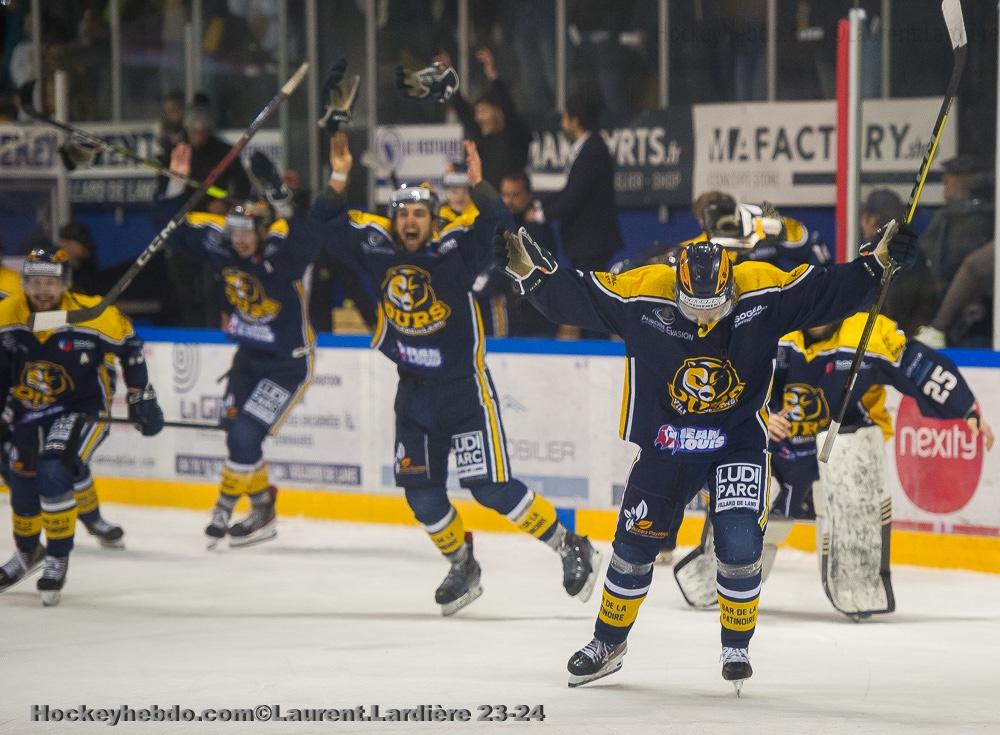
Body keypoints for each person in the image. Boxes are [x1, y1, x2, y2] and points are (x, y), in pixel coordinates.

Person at [494, 219, 919, 691]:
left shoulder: (762, 288)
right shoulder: (643, 291)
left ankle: (736, 646)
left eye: (715, 308)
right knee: (632, 547)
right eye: (694, 309)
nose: (704, 320)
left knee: (740, 542)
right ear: (675, 290)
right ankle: (608, 643)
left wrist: (875, 264)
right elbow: (579, 296)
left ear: (731, 288)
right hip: (667, 442)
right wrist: (532, 278)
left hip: (736, 439)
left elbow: (825, 291)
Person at [314, 132, 601, 616]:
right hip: (413, 396)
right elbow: (321, 224)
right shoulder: (377, 248)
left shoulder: (455, 252)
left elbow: (499, 225)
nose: (410, 221)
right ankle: (462, 564)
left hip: (464, 392)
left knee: (490, 488)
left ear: (433, 219)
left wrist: (480, 185)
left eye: (419, 214)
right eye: (403, 213)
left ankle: (570, 544)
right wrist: (339, 175)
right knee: (422, 497)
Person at [675, 313, 993, 618]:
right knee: (746, 469)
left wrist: (965, 408)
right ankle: (718, 572)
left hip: (837, 451)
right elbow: (731, 379)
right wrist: (759, 416)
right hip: (778, 450)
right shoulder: (777, 322)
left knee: (853, 453)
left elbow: (919, 366)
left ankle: (858, 578)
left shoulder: (867, 333)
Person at [157, 145, 326, 550]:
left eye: (248, 232)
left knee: (246, 434)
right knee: (237, 434)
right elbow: (170, 231)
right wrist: (175, 185)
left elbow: (307, 236)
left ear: (262, 231)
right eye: (235, 232)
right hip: (249, 359)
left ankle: (224, 506)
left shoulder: (282, 248)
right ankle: (263, 509)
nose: (241, 240)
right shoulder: (221, 245)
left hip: (287, 364)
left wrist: (280, 198)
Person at [0, 247, 164, 605]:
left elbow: (130, 347)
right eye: (35, 282)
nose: (43, 290)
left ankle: (57, 556)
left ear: (65, 283)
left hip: (82, 407)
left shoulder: (94, 315)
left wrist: (141, 397)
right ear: (24, 282)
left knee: (54, 470)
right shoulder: (8, 313)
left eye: (50, 282)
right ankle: (28, 552)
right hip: (30, 408)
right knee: (20, 478)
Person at [532, 88, 623, 274]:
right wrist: (539, 205)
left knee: (589, 288)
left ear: (575, 121)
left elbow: (574, 196)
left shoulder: (593, 150)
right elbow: (569, 190)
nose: (562, 123)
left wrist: (541, 215)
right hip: (584, 241)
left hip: (591, 241)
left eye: (565, 117)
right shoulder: (585, 148)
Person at [435, 48, 532, 188]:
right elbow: (462, 108)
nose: (478, 117)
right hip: (486, 196)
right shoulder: (480, 136)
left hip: (510, 194)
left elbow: (507, 106)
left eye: (483, 111)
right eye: (476, 113)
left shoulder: (511, 133)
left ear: (496, 112)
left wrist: (493, 75)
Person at [861, 189, 936, 337]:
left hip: (900, 337)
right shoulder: (908, 250)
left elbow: (892, 311)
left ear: (872, 219)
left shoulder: (889, 257)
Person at [499, 171, 558, 338]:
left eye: (515, 195)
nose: (509, 201)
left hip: (536, 313)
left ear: (529, 195)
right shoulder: (498, 223)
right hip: (505, 313)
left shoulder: (537, 228)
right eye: (505, 195)